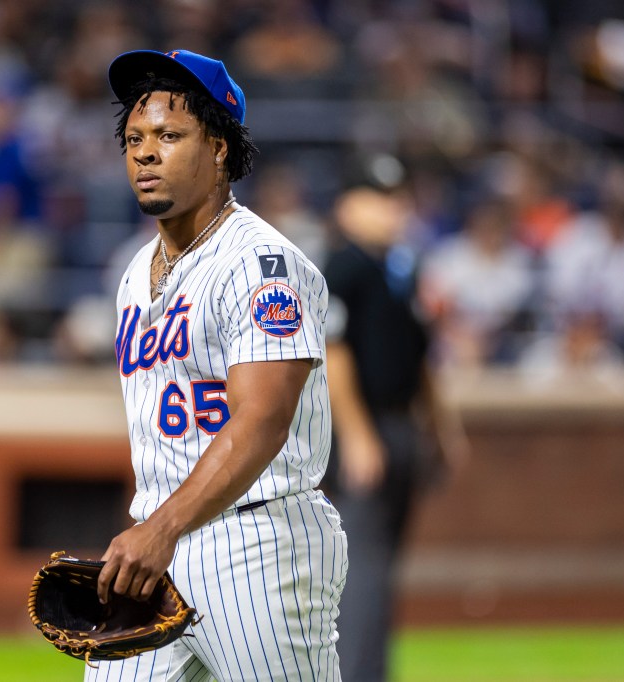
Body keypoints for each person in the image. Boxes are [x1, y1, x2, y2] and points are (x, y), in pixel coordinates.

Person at [88, 49, 347, 681]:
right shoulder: (132, 274)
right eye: (135, 138)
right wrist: (151, 531)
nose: (145, 153)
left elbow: (261, 422)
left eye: (170, 136)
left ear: (221, 148)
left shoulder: (261, 267)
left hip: (260, 545)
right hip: (159, 545)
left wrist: (161, 529)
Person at [323, 185, 468, 682]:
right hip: (366, 428)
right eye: (378, 196)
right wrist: (358, 434)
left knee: (381, 567)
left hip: (400, 422)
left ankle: (372, 673)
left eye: (398, 196)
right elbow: (332, 352)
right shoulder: (343, 266)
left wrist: (440, 425)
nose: (393, 208)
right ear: (348, 205)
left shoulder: (399, 269)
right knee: (361, 565)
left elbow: (421, 355)